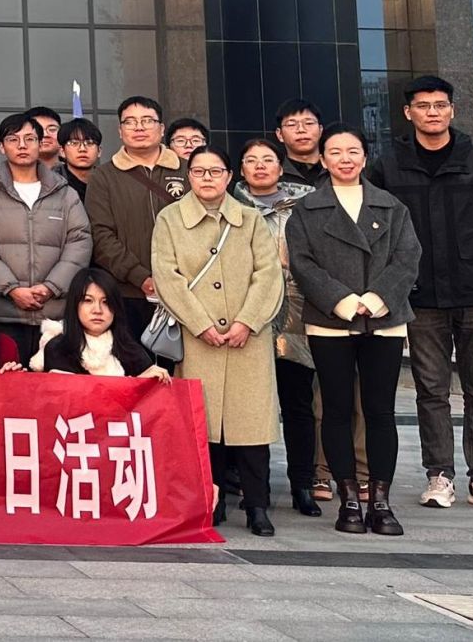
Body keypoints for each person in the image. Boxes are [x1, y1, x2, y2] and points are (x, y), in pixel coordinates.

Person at [374, 75, 473, 514]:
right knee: (431, 391)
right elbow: (380, 237)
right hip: (420, 299)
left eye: (440, 105)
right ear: (408, 113)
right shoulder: (388, 167)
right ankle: (439, 475)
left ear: (452, 110)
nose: (432, 112)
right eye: (423, 106)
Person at [287, 124, 423, 535]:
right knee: (336, 408)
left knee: (380, 410)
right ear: (322, 159)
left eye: (353, 151)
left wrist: (377, 298)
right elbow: (302, 263)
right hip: (331, 319)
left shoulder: (391, 206)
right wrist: (344, 301)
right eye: (335, 152)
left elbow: (408, 257)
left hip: (385, 318)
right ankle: (347, 498)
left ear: (364, 157)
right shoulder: (306, 210)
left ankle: (379, 501)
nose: (344, 159)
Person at [154, 145, 286, 535]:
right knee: (203, 425)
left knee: (251, 428)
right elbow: (167, 276)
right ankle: (208, 504)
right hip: (199, 338)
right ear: (188, 176)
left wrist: (247, 321)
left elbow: (268, 274)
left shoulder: (250, 219)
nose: (207, 178)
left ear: (229, 176)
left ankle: (257, 506)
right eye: (198, 171)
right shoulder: (170, 219)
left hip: (249, 338)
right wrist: (200, 324)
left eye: (215, 171)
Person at [231, 135, 324, 517]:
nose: (260, 166)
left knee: (298, 403)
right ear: (240, 170)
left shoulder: (306, 207)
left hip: (297, 315)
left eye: (267, 159)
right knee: (251, 407)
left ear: (280, 166)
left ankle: (303, 483)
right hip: (247, 317)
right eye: (251, 160)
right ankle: (255, 487)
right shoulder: (230, 206)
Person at [0, 113, 91, 364]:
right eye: (13, 139)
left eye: (30, 139)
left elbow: (80, 241)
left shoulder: (65, 194)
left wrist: (51, 287)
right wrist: (12, 289)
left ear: (40, 144)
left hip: (55, 316)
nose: (22, 145)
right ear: (2, 147)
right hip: (4, 315)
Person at [85, 95, 188, 329]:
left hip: (186, 289)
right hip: (127, 293)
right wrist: (140, 277)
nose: (139, 127)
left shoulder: (188, 171)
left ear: (162, 128)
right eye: (130, 122)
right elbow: (101, 235)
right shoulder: (104, 177)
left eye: (147, 120)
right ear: (120, 131)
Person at [31, 268, 171, 380]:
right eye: (88, 300)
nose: (97, 310)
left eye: (106, 302)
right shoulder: (58, 348)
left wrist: (149, 380)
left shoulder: (130, 349)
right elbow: (74, 398)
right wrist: (133, 383)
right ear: (74, 305)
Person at [273, 100, 331, 187]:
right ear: (279, 134)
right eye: (291, 124)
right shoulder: (272, 173)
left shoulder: (336, 169)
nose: (301, 129)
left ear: (320, 130)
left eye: (309, 123)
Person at [60, 117, 103, 200]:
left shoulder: (108, 182)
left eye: (89, 143)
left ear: (99, 151)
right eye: (74, 143)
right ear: (62, 151)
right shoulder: (52, 184)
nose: (82, 149)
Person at [26, 106, 64, 173]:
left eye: (52, 129)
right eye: (38, 129)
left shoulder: (76, 172)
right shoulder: (9, 174)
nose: (45, 135)